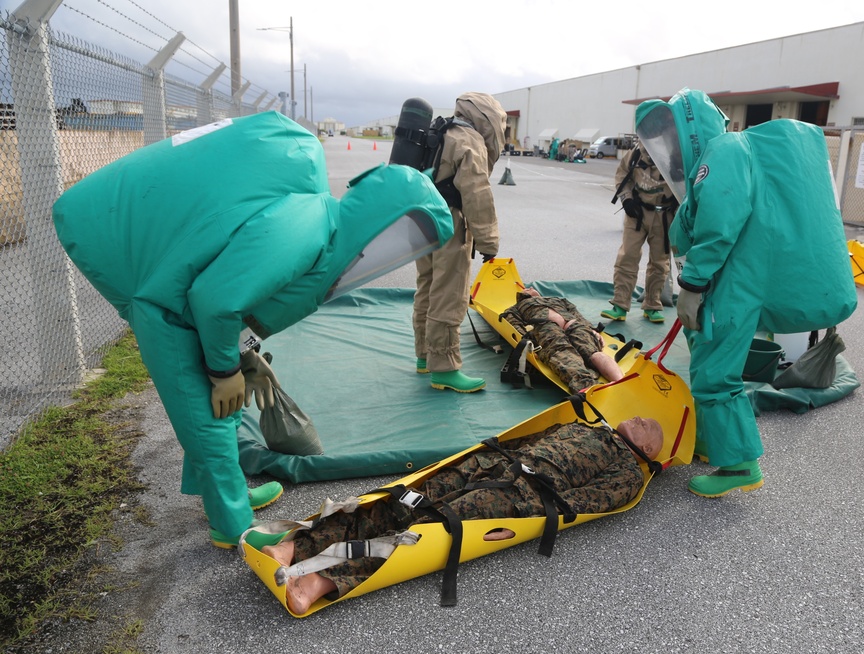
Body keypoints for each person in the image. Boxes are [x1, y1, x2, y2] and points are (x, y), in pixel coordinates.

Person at [53, 112, 454, 547]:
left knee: (214, 406)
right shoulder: (310, 228)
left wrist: (246, 358)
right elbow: (216, 301)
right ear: (380, 214)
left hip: (177, 289)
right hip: (162, 298)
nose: (397, 248)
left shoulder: (321, 226)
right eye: (404, 232)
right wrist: (225, 372)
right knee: (209, 411)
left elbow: (240, 293)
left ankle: (222, 491)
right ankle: (233, 525)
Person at [635, 88, 857, 497]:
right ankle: (713, 443)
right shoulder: (725, 153)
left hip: (730, 285)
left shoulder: (723, 152)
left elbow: (720, 225)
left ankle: (740, 464)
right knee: (707, 365)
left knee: (716, 373)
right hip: (732, 282)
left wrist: (693, 285)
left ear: (690, 127)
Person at [261, 416, 664, 613]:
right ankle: (298, 545)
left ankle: (321, 582)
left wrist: (536, 508)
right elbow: (526, 437)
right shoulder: (585, 424)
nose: (641, 417)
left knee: (425, 532)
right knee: (403, 501)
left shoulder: (628, 471)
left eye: (648, 424)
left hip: (522, 494)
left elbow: (588, 502)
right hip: (493, 465)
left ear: (647, 449)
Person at [413, 92, 507, 393]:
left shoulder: (442, 131)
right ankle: (445, 369)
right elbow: (477, 193)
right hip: (449, 224)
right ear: (487, 119)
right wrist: (489, 242)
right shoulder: (470, 140)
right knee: (450, 293)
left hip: (423, 220)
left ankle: (424, 356)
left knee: (427, 286)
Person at [601, 140, 678, 325]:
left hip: (664, 216)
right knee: (627, 256)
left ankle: (652, 305)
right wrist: (626, 200)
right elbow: (622, 175)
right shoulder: (636, 152)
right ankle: (620, 305)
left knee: (660, 262)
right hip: (637, 213)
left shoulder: (678, 157)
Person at [501, 288, 624, 392]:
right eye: (526, 289)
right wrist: (528, 341)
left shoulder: (558, 300)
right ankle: (588, 386)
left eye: (531, 287)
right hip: (545, 326)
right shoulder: (518, 306)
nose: (530, 288)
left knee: (593, 352)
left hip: (573, 324)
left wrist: (591, 329)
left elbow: (576, 314)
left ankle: (621, 382)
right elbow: (513, 323)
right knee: (562, 352)